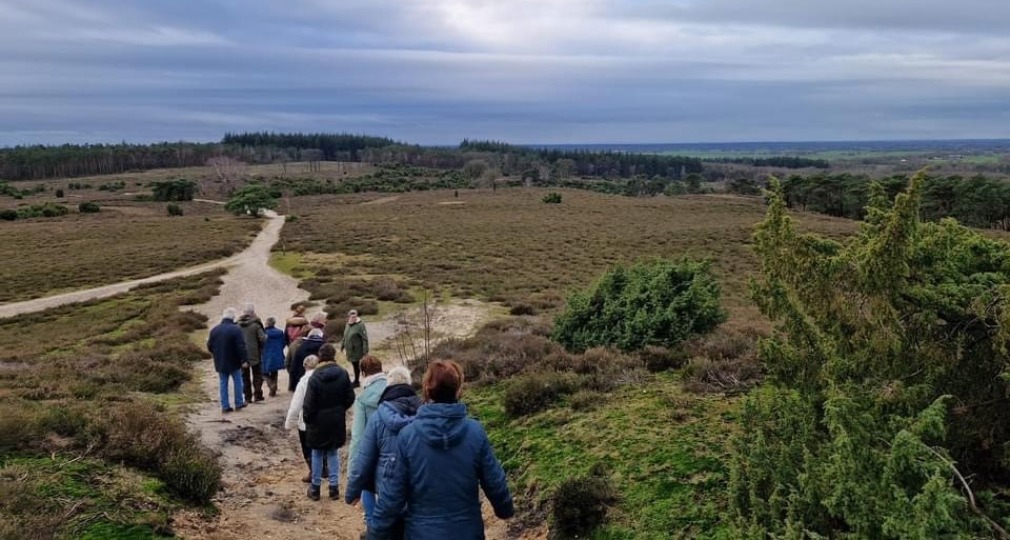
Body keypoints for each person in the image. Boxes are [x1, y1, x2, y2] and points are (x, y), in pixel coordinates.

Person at [364, 360, 514, 539]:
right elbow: (494, 481)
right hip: (467, 532)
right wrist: (505, 508)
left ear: (426, 389)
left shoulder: (408, 436)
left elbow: (392, 495)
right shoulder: (475, 432)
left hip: (421, 533)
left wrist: (376, 532)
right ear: (458, 389)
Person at [346, 366, 419, 536]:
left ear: (388, 385)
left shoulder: (379, 416)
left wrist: (352, 492)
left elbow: (364, 458)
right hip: (418, 487)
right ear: (409, 383)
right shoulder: (424, 412)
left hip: (387, 488)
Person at [302, 343, 355, 501]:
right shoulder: (343, 373)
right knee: (333, 453)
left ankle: (316, 489)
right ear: (334, 356)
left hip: (318, 420)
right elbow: (350, 397)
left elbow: (309, 404)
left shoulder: (315, 377)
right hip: (336, 419)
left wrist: (308, 419)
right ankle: (334, 488)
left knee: (317, 453)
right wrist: (340, 409)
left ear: (320, 357)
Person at [346, 355, 388, 525]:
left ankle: (371, 526)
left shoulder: (362, 399)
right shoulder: (393, 390)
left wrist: (352, 470)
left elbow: (357, 436)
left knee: (368, 487)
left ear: (363, 373)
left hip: (372, 452)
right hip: (393, 452)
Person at [285, 354, 320, 483]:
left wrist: (289, 423)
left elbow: (296, 404)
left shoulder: (304, 381)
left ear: (305, 366)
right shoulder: (323, 378)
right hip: (324, 419)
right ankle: (325, 469)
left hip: (307, 421)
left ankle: (313, 472)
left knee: (308, 448)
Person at [206, 307, 247, 413]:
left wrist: (216, 354)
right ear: (233, 317)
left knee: (223, 383)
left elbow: (209, 346)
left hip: (220, 360)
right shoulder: (236, 329)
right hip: (234, 360)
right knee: (238, 381)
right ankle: (239, 403)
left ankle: (225, 406)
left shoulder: (214, 330)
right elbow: (241, 346)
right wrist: (244, 359)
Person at [237, 303, 267, 403]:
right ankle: (258, 395)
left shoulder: (237, 325)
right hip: (255, 353)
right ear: (253, 312)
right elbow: (263, 338)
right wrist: (261, 346)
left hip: (241, 354)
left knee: (244, 376)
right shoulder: (256, 324)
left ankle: (247, 397)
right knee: (257, 374)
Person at [289, 327, 325, 392]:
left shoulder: (301, 348)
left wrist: (293, 385)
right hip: (322, 381)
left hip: (303, 379)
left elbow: (294, 367)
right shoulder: (325, 347)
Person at [341, 309, 369, 387]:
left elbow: (364, 338)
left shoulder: (360, 325)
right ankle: (357, 380)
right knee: (354, 365)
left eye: (354, 315)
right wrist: (342, 345)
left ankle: (358, 381)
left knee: (360, 365)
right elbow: (345, 335)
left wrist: (365, 350)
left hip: (357, 349)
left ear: (356, 316)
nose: (353, 317)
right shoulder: (347, 324)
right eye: (351, 315)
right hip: (350, 349)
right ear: (349, 316)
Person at [261, 317, 286, 398]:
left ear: (267, 323)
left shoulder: (264, 333)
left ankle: (271, 385)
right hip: (278, 355)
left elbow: (261, 344)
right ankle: (273, 390)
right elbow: (283, 343)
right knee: (274, 372)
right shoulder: (280, 332)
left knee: (263, 372)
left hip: (266, 355)